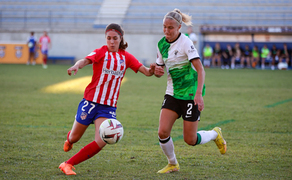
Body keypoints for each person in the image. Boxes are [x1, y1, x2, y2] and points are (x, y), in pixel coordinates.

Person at [58, 23, 155, 175]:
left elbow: (147, 72)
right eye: (108, 38)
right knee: (75, 137)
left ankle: (68, 164)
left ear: (120, 38)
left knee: (102, 140)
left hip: (108, 107)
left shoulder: (127, 57)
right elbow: (84, 60)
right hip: (90, 102)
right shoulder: (100, 52)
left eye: (115, 38)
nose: (111, 41)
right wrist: (77, 66)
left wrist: (153, 70)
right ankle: (69, 139)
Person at [153, 9, 227, 174]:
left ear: (179, 27)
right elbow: (159, 68)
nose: (167, 30)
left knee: (190, 140)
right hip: (172, 93)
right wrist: (156, 71)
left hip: (190, 95)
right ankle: (173, 164)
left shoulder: (186, 42)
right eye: (164, 27)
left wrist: (198, 94)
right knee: (162, 131)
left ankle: (215, 134)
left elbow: (201, 70)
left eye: (170, 27)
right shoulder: (161, 44)